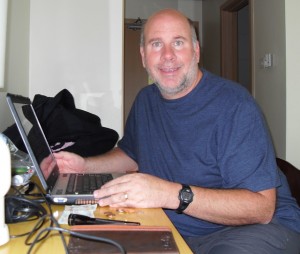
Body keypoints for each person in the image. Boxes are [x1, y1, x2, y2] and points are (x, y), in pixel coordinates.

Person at [54, 9, 300, 254]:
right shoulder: (145, 101)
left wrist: (168, 194)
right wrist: (83, 166)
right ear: (143, 56)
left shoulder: (235, 105)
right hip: (172, 225)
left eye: (178, 43)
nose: (167, 55)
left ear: (196, 51)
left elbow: (261, 209)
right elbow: (131, 155)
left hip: (255, 231)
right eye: (156, 44)